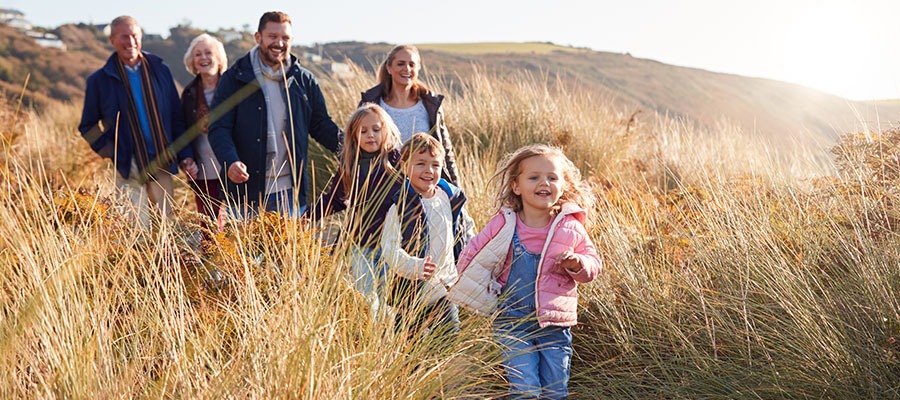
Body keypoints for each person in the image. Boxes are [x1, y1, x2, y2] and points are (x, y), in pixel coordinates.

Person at [447, 144, 602, 399]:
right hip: (512, 320)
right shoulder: (504, 222)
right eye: (534, 177)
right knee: (525, 389)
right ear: (516, 186)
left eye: (553, 177)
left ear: (563, 186)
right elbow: (473, 252)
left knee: (555, 391)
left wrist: (578, 264)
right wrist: (474, 288)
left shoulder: (570, 227)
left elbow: (593, 264)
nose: (544, 182)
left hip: (554, 323)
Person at [208, 11, 342, 218]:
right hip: (246, 192)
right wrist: (230, 161)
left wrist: (352, 147)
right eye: (272, 36)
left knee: (289, 251)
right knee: (247, 251)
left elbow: (321, 125)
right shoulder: (234, 78)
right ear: (258, 37)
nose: (279, 43)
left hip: (291, 193)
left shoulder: (304, 80)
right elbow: (219, 127)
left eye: (285, 38)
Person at [79, 15, 197, 225]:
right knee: (135, 230)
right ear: (112, 40)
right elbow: (87, 126)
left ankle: (165, 259)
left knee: (164, 228)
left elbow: (176, 116)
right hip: (128, 165)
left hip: (162, 159)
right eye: (124, 37)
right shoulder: (99, 80)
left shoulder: (160, 70)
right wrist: (113, 152)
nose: (131, 42)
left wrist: (185, 154)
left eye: (134, 35)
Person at [311, 103, 402, 315]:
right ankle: (372, 340)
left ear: (385, 130)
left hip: (393, 244)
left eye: (376, 130)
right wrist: (306, 217)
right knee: (367, 300)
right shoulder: (350, 164)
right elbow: (334, 200)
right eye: (364, 131)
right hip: (361, 244)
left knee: (390, 299)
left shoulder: (397, 160)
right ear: (354, 135)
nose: (371, 135)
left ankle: (390, 342)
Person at [381, 133, 475, 337]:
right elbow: (389, 248)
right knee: (407, 346)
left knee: (449, 337)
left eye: (435, 165)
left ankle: (439, 368)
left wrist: (470, 256)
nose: (429, 170)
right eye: (421, 163)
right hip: (411, 292)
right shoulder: (400, 206)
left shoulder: (450, 198)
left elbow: (466, 228)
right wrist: (414, 266)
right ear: (405, 167)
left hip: (444, 287)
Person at [359, 45, 460, 185]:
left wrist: (456, 189)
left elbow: (445, 150)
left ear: (418, 68)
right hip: (382, 187)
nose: (406, 69)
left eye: (411, 64)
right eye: (400, 64)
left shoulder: (430, 103)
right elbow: (355, 145)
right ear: (389, 68)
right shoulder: (372, 102)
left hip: (423, 186)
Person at [180, 33, 227, 223]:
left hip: (232, 166)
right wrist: (186, 159)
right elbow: (182, 130)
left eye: (208, 52)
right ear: (192, 62)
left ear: (218, 58)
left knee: (239, 224)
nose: (203, 58)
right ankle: (212, 254)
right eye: (198, 54)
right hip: (203, 170)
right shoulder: (189, 93)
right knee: (209, 226)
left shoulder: (232, 88)